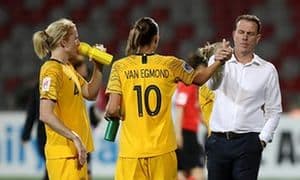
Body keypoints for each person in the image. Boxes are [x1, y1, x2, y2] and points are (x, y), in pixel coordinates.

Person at [104, 17, 232, 180]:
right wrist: (218, 62)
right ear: (156, 39)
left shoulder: (120, 67)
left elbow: (112, 108)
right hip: (163, 151)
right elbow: (199, 79)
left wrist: (114, 114)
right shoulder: (170, 64)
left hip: (131, 153)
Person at [205, 14, 282, 180]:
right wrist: (218, 63)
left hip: (248, 143)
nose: (245, 37)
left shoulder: (267, 70)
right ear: (234, 34)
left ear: (258, 38)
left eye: (250, 33)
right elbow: (211, 86)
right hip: (218, 141)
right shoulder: (217, 60)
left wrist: (262, 140)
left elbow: (274, 110)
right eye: (241, 32)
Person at [32, 18, 103, 180]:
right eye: (75, 38)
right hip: (64, 155)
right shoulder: (51, 70)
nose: (79, 42)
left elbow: (90, 93)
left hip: (76, 153)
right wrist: (74, 137)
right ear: (63, 42)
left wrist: (99, 66)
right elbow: (45, 114)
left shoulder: (67, 67)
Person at [174, 50, 208, 180]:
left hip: (190, 133)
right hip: (184, 133)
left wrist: (211, 128)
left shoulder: (196, 88)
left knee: (183, 172)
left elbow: (199, 114)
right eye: (202, 70)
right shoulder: (186, 85)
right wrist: (178, 135)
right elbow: (179, 109)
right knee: (196, 172)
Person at [21, 81, 48, 180]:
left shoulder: (39, 86)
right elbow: (31, 112)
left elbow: (31, 112)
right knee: (51, 167)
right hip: (46, 132)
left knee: (50, 167)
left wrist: (25, 134)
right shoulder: (39, 87)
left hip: (46, 132)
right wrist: (26, 134)